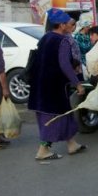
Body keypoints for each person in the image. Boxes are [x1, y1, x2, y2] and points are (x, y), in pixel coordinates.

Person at [28, 8, 86, 161]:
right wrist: (78, 84)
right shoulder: (63, 40)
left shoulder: (45, 38)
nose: (70, 25)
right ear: (61, 25)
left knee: (64, 113)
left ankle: (72, 144)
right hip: (53, 87)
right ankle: (43, 150)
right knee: (52, 117)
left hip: (40, 83)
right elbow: (65, 65)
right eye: (68, 23)